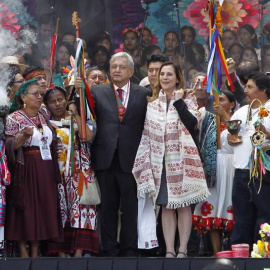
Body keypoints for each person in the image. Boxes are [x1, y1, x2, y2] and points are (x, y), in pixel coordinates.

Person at [133, 62, 209, 258]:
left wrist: (178, 102)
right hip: (160, 162)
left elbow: (193, 124)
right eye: (162, 74)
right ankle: (169, 249)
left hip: (182, 161)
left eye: (169, 74)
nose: (165, 78)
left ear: (177, 79)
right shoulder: (152, 104)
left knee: (183, 205)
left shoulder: (188, 100)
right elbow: (147, 135)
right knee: (165, 205)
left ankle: (182, 249)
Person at [91, 52, 151, 257]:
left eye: (122, 67)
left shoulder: (143, 93)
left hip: (132, 159)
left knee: (130, 207)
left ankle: (130, 248)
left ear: (132, 71)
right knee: (107, 206)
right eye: (113, 66)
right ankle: (109, 248)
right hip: (105, 157)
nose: (116, 70)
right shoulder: (96, 91)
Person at [5, 79, 63, 257]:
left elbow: (50, 138)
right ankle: (23, 251)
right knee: (26, 207)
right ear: (23, 97)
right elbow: (10, 146)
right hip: (26, 167)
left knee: (42, 206)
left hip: (45, 166)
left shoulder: (44, 115)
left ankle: (36, 250)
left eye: (40, 94)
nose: (39, 97)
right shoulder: (14, 118)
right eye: (35, 94)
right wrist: (23, 136)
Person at [44, 85, 100, 257]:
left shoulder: (77, 119)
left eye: (60, 100)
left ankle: (79, 252)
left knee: (82, 210)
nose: (57, 104)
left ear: (66, 100)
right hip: (57, 174)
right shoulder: (45, 124)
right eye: (52, 102)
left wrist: (76, 113)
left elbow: (88, 137)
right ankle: (61, 252)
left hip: (80, 171)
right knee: (60, 210)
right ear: (47, 105)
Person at [224, 71, 270, 249]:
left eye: (250, 87)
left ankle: (263, 256)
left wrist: (266, 133)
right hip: (241, 172)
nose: (245, 90)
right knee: (242, 217)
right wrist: (229, 139)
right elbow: (230, 142)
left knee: (264, 216)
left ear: (263, 90)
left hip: (263, 173)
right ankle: (240, 258)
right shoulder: (242, 111)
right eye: (245, 87)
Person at [193, 91, 237, 256]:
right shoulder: (208, 119)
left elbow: (237, 139)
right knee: (210, 209)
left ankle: (235, 251)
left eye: (223, 100)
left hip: (230, 168)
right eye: (215, 100)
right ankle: (217, 253)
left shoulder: (237, 118)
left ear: (232, 104)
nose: (217, 103)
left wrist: (225, 116)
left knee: (230, 210)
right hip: (212, 170)